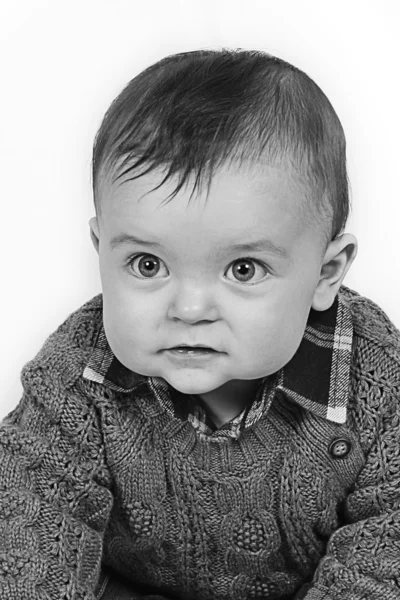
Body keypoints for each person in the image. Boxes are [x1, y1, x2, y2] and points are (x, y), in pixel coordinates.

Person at [1, 47, 399, 600]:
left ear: (325, 272)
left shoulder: (374, 380)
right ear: (101, 251)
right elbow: (30, 515)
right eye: (148, 265)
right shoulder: (77, 374)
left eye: (243, 269)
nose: (189, 309)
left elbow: (388, 539)